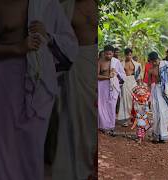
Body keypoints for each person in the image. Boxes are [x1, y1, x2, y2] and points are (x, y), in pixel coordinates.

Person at [0, 0, 79, 179]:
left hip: (40, 84)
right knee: (0, 143)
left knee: (31, 145)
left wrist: (49, 35)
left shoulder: (47, 4)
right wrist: (17, 48)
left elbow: (70, 44)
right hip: (3, 82)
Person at [52, 0, 96, 180]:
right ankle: (79, 167)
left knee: (94, 116)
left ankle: (95, 166)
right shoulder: (65, 7)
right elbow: (55, 39)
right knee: (77, 117)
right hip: (77, 64)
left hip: (96, 60)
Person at [147, 51, 168, 143]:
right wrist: (148, 96)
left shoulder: (167, 65)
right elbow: (149, 84)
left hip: (167, 91)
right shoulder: (151, 70)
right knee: (157, 114)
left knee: (164, 114)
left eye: (155, 61)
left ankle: (163, 136)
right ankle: (156, 135)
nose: (154, 63)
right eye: (152, 61)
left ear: (158, 59)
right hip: (156, 91)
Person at [98, 45, 126, 132]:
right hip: (102, 85)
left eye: (110, 54)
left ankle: (111, 125)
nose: (108, 56)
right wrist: (107, 77)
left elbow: (123, 74)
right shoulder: (100, 62)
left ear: (113, 54)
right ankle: (103, 125)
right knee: (102, 105)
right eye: (106, 54)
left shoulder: (116, 62)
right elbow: (96, 75)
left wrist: (115, 74)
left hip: (113, 86)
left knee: (111, 105)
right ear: (104, 53)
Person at [117, 48, 142, 127]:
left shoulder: (137, 64)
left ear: (131, 55)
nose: (129, 56)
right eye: (127, 55)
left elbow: (138, 76)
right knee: (125, 100)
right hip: (125, 82)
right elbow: (118, 75)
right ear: (125, 55)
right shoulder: (121, 64)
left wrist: (140, 86)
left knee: (135, 100)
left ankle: (136, 119)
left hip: (133, 81)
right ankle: (126, 119)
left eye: (130, 55)